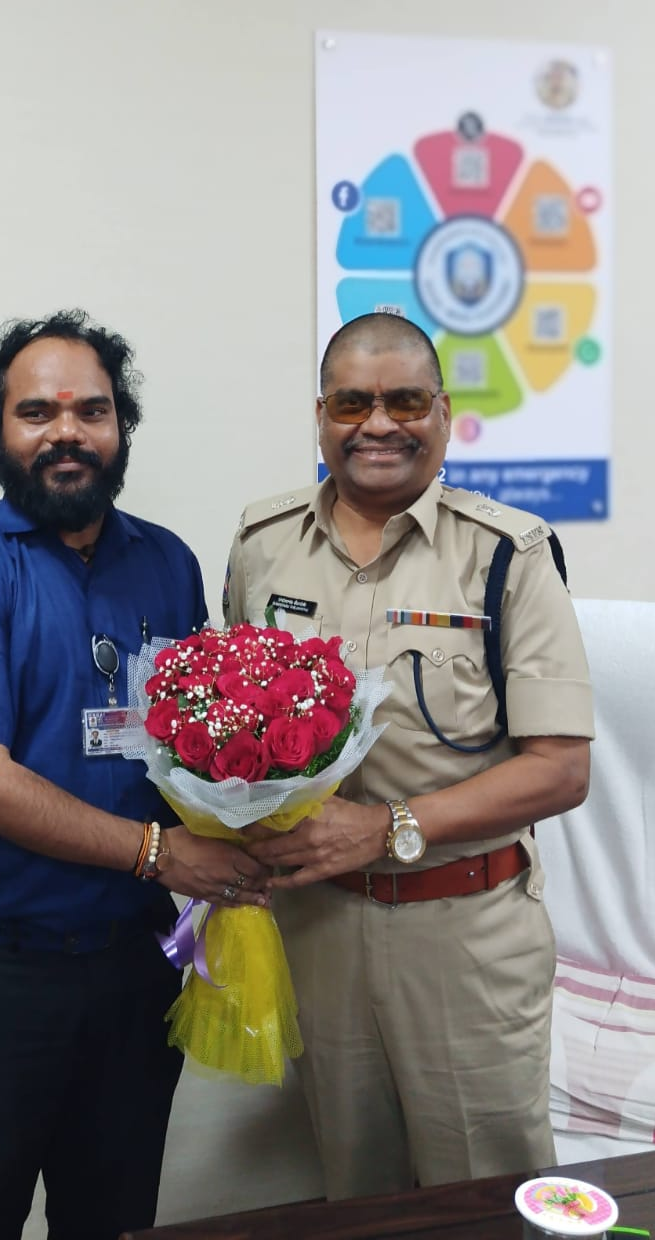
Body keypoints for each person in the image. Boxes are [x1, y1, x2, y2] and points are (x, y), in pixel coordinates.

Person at [0, 309, 269, 1240]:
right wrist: (159, 854)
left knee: (114, 1219)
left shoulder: (168, 563)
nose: (67, 432)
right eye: (37, 412)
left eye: (91, 411)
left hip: (134, 970)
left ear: (120, 427)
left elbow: (195, 738)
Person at [225, 312, 594, 1200]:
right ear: (322, 416)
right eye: (353, 403)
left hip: (464, 936)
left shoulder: (507, 555)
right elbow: (234, 728)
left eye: (405, 402)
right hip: (319, 934)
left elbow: (560, 767)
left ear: (444, 413)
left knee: (488, 1197)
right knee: (357, 1194)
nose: (379, 425)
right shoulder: (262, 545)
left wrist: (386, 826)